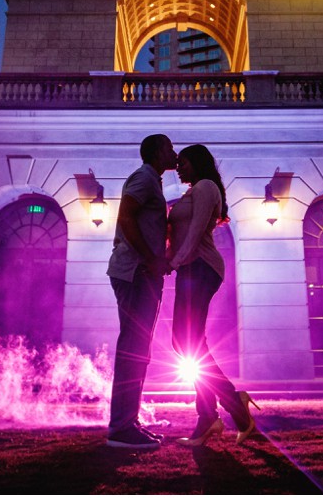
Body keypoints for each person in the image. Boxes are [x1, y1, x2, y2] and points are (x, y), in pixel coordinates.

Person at [167, 144, 258, 447]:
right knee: (188, 341)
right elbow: (180, 233)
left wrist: (175, 261)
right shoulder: (195, 190)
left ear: (198, 162)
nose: (178, 167)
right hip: (190, 268)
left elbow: (194, 233)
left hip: (200, 267)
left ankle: (223, 409)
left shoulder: (206, 187)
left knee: (184, 339)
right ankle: (214, 413)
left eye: (183, 162)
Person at [104, 133, 177, 449]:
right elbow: (126, 216)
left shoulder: (152, 180)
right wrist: (150, 258)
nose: (174, 154)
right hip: (135, 272)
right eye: (171, 149)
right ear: (160, 152)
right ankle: (121, 428)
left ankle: (128, 422)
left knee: (138, 347)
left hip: (141, 273)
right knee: (134, 347)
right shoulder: (144, 177)